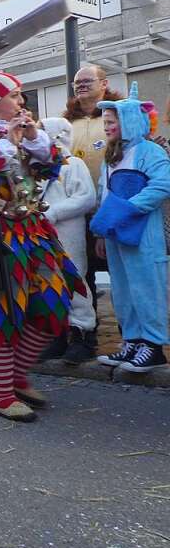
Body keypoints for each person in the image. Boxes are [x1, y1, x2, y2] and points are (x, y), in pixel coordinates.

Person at [0, 73, 83, 422]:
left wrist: (34, 139)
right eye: (14, 95)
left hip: (31, 230)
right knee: (3, 310)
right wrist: (7, 145)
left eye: (20, 95)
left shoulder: (25, 135)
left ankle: (18, 376)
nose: (21, 102)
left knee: (54, 299)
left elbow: (52, 166)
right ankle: (3, 393)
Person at [91, 84, 170, 372]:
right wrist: (102, 230)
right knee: (123, 289)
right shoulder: (113, 155)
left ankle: (153, 346)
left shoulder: (150, 151)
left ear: (129, 122)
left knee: (147, 286)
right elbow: (105, 193)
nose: (107, 127)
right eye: (105, 123)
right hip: (116, 235)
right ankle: (133, 341)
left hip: (144, 236)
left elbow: (163, 184)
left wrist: (127, 210)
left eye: (111, 122)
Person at [36, 118, 97, 364]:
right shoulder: (38, 168)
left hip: (68, 235)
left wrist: (53, 213)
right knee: (48, 283)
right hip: (43, 236)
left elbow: (85, 198)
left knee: (74, 281)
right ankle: (57, 334)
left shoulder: (74, 164)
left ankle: (83, 335)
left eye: (42, 132)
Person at [65, 65, 122, 311]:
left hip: (111, 208)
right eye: (77, 82)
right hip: (76, 213)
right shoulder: (66, 123)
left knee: (118, 273)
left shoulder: (116, 117)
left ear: (104, 83)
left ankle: (129, 336)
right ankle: (85, 332)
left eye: (87, 80)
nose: (81, 85)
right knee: (80, 272)